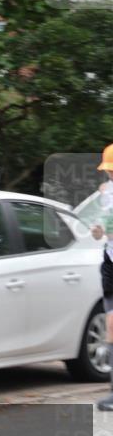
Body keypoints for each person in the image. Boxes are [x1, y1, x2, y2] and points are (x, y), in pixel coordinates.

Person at [90, 143, 113, 411]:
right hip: (109, 261)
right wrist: (98, 230)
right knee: (110, 323)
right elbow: (100, 234)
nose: (110, 175)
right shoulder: (105, 194)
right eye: (108, 171)